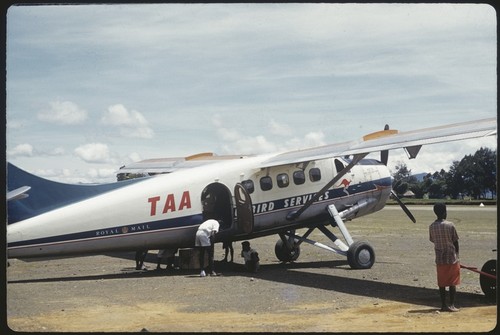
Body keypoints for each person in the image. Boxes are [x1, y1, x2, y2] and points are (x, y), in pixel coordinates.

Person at [429, 203, 460, 312]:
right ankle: (452, 305)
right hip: (451, 257)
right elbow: (455, 241)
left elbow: (432, 240)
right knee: (452, 283)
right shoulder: (450, 225)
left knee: (442, 283)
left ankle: (443, 305)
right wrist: (457, 254)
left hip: (440, 258)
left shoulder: (432, 226)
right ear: (444, 212)